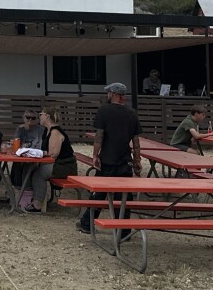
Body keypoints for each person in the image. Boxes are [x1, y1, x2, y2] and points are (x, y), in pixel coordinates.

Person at [78, 82, 142, 234]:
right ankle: (124, 230)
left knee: (99, 193)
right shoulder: (132, 113)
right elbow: (136, 140)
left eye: (109, 93)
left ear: (113, 94)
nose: (107, 95)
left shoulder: (104, 111)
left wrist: (95, 155)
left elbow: (99, 136)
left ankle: (87, 223)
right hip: (124, 159)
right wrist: (137, 160)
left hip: (107, 158)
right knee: (125, 196)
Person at [28, 109, 78, 212]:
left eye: (40, 114)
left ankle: (37, 204)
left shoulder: (55, 131)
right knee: (33, 169)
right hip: (58, 164)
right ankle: (30, 198)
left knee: (39, 173)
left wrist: (39, 155)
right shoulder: (47, 130)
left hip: (65, 166)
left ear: (47, 116)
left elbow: (53, 154)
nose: (39, 117)